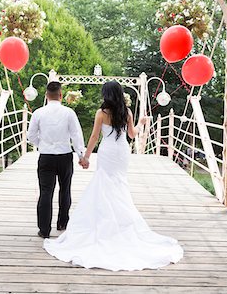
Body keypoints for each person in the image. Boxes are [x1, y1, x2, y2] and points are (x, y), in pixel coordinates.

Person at [43, 81, 183, 271]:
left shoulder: (102, 113)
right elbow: (132, 135)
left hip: (108, 151)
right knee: (119, 185)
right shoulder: (127, 112)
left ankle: (105, 224)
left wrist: (85, 157)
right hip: (122, 152)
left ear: (106, 95)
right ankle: (122, 223)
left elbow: (94, 137)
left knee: (104, 184)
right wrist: (142, 124)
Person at [27, 81, 88, 239]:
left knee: (45, 192)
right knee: (65, 189)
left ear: (46, 95)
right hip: (65, 155)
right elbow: (76, 135)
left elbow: (30, 136)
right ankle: (62, 223)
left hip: (46, 156)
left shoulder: (38, 113)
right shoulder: (68, 113)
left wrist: (42, 144)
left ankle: (44, 229)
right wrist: (81, 156)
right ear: (61, 95)